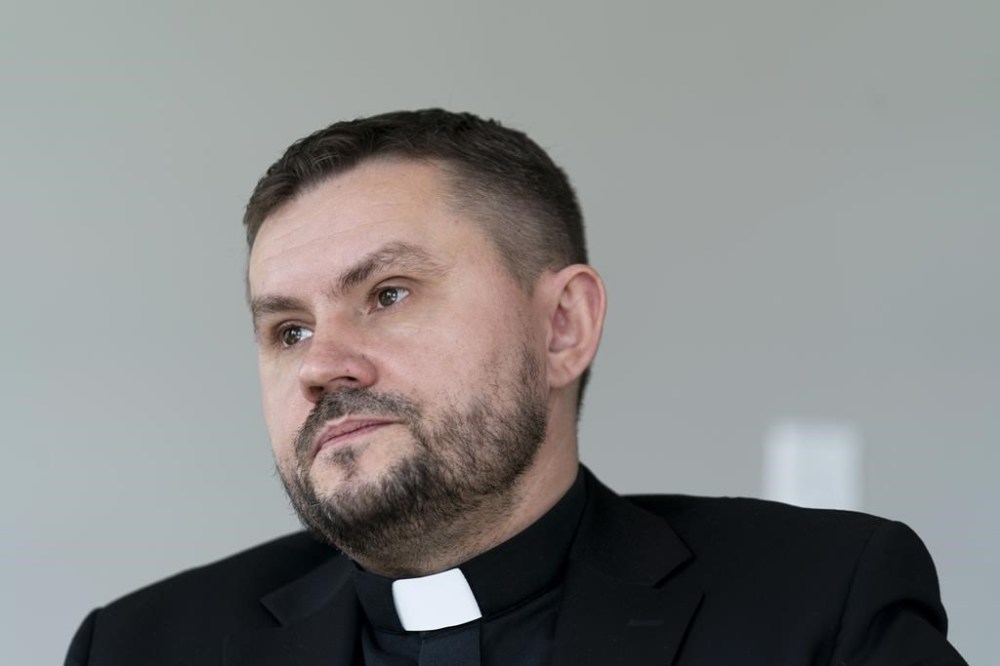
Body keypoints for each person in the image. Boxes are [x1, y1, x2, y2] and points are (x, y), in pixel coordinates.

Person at [65, 109, 967, 665]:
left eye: (386, 294)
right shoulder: (140, 647)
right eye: (287, 329)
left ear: (562, 327)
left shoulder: (818, 604)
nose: (319, 365)